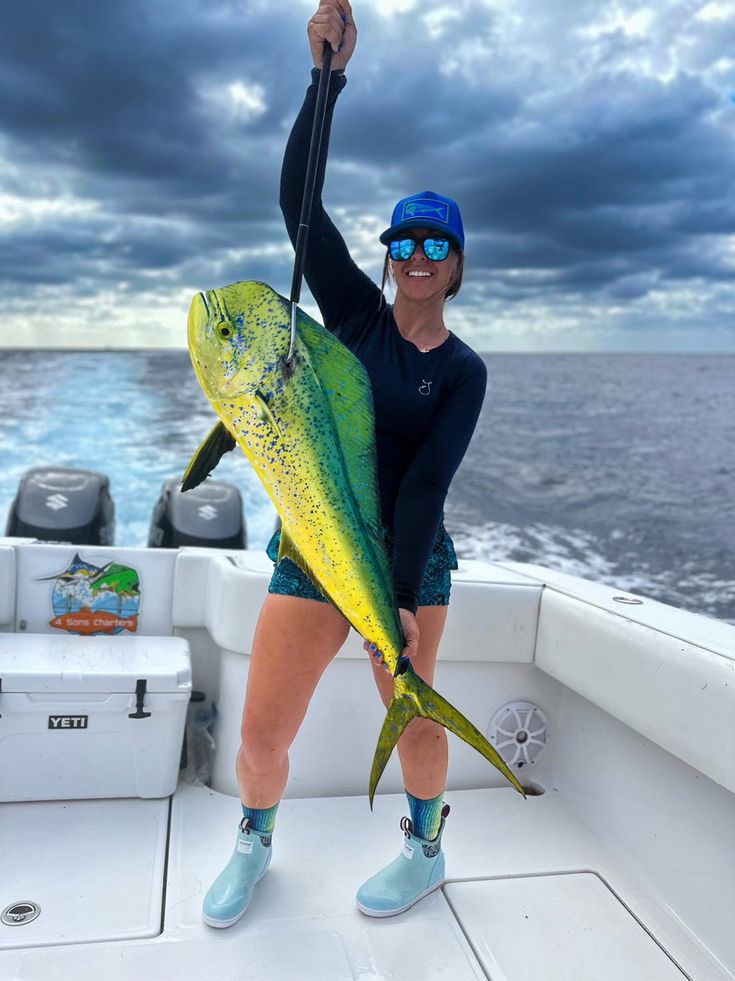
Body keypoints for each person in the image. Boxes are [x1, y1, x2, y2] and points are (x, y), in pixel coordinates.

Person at [202, 0, 487, 928]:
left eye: (432, 244)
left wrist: (399, 594)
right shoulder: (353, 315)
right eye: (401, 241)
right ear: (388, 254)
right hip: (309, 547)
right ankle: (252, 841)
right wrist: (324, 80)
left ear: (454, 266)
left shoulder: (460, 371)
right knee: (259, 733)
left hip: (409, 559)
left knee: (411, 712)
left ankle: (425, 849)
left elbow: (426, 485)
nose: (414, 255)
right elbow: (298, 201)